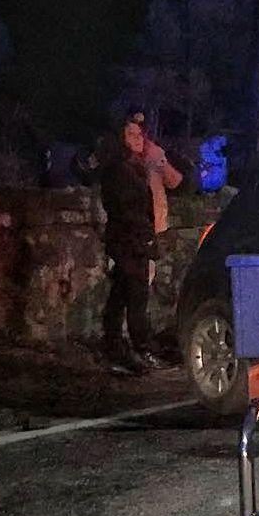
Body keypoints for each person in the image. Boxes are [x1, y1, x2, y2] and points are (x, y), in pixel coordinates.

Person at [95, 113, 179, 374]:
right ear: (120, 139)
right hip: (130, 242)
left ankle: (115, 346)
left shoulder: (131, 166)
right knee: (135, 295)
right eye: (131, 135)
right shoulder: (120, 170)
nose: (138, 139)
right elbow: (128, 210)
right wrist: (146, 239)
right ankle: (140, 348)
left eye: (139, 134)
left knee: (121, 293)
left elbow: (176, 181)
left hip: (129, 241)